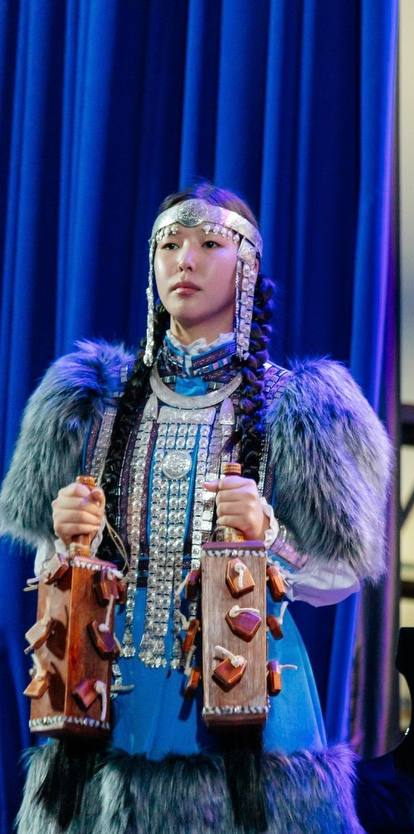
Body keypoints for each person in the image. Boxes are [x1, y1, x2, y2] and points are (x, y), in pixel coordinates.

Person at [0, 184, 391, 833]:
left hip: (248, 700)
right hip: (110, 694)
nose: (185, 259)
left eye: (210, 243)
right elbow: (53, 571)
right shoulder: (91, 403)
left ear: (248, 267)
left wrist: (268, 533)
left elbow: (343, 574)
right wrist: (64, 538)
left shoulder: (299, 406)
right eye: (169, 245)